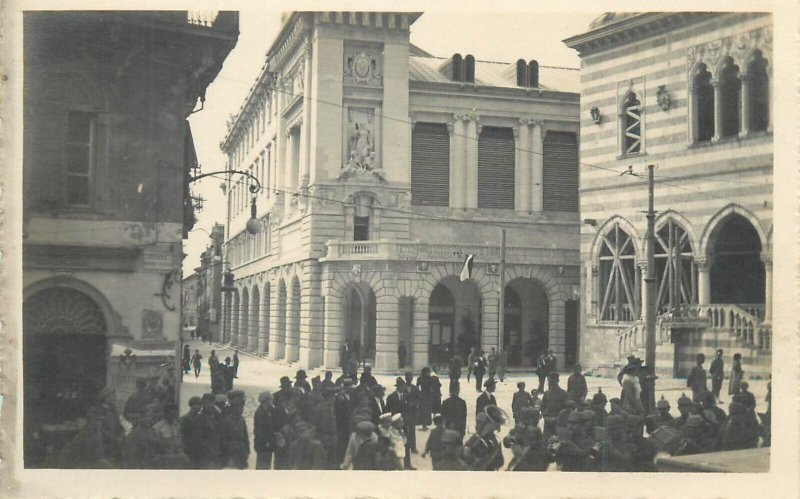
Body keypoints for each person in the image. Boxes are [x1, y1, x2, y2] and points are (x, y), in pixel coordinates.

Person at [504, 407, 549, 471]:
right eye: (536, 417)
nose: (537, 419)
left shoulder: (517, 428)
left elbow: (508, 444)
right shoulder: (534, 430)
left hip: (523, 460)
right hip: (531, 462)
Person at [461, 406, 506, 471]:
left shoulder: (492, 440)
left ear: (489, 424)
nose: (477, 426)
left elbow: (499, 462)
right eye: (477, 422)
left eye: (481, 423)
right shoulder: (477, 437)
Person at [153, 403, 189, 469]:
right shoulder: (158, 427)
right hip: (164, 458)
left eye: (175, 414)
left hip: (177, 458)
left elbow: (179, 441)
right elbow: (155, 445)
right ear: (165, 414)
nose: (173, 416)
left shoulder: (177, 426)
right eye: (171, 414)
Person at [221, 390, 250, 469]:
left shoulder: (241, 419)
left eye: (242, 406)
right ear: (234, 407)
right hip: (230, 455)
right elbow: (223, 439)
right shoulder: (226, 420)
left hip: (241, 454)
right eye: (240, 406)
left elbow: (245, 436)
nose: (242, 409)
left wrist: (247, 451)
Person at [541, 372, 569, 440]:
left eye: (553, 381)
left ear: (557, 381)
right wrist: (545, 416)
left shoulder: (563, 394)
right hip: (548, 420)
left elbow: (567, 409)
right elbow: (542, 406)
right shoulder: (546, 393)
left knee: (559, 441)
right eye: (550, 381)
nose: (551, 383)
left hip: (559, 421)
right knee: (546, 441)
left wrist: (558, 418)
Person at [198, 393, 223, 468]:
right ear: (203, 403)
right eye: (206, 403)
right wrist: (208, 448)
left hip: (218, 451)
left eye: (211, 403)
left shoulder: (218, 415)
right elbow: (199, 437)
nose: (209, 405)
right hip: (206, 452)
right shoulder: (200, 418)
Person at [253, 391, 277, 470]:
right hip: (263, 443)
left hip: (267, 443)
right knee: (262, 465)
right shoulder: (260, 412)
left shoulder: (268, 410)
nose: (272, 401)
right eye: (270, 399)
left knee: (266, 464)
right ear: (266, 400)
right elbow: (259, 430)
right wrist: (265, 441)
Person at [180, 397, 204, 468]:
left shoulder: (200, 418)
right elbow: (182, 433)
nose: (200, 407)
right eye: (198, 405)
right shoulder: (185, 418)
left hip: (198, 447)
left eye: (201, 405)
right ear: (192, 405)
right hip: (189, 447)